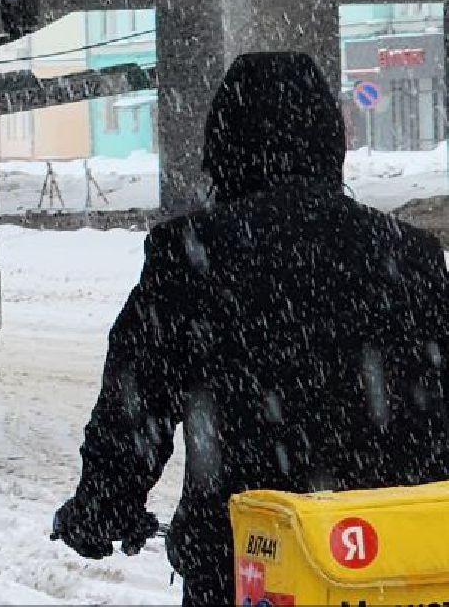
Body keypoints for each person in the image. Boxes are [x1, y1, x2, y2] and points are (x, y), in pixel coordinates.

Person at [52, 52, 449, 603]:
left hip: (244, 565)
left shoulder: (191, 256)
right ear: (330, 142)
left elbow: (136, 404)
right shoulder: (410, 256)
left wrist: (103, 504)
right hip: (393, 562)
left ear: (223, 145)